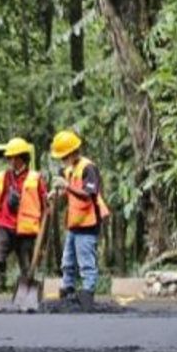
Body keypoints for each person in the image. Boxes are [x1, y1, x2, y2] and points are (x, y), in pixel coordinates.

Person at [0, 138, 48, 311]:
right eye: (9, 158)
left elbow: (45, 207)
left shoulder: (36, 179)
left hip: (26, 230)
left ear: (22, 157)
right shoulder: (2, 178)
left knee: (27, 267)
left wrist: (42, 235)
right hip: (5, 226)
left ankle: (27, 301)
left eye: (14, 157)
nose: (11, 161)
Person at [49, 130, 111, 310]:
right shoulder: (70, 170)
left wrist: (66, 186)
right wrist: (56, 193)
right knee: (67, 262)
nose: (62, 161)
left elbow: (88, 194)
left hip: (88, 223)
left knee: (86, 263)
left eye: (63, 156)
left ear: (72, 152)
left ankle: (87, 295)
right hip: (74, 223)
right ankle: (67, 291)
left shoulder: (88, 168)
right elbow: (70, 193)